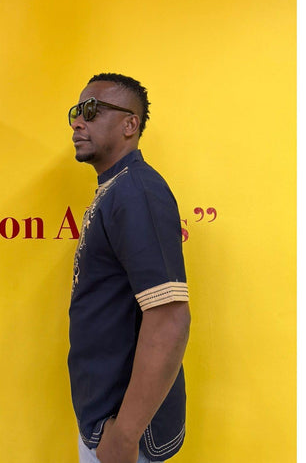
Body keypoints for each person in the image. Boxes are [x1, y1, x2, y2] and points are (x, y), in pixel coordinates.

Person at [67, 73, 191, 463]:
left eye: (91, 110)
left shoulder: (136, 192)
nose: (77, 122)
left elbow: (170, 319)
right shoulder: (117, 188)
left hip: (126, 437)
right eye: (75, 112)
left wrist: (124, 437)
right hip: (107, 424)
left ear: (129, 124)